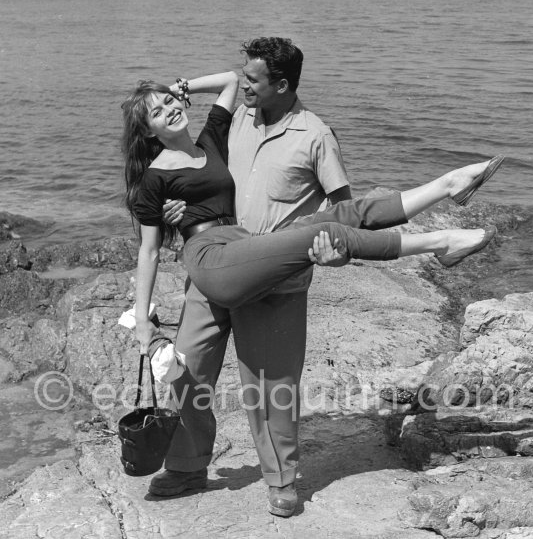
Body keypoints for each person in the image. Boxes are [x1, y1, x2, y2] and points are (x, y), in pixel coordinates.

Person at [123, 38, 502, 517]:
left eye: (253, 80)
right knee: (188, 376)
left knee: (272, 384)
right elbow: (154, 238)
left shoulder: (315, 135)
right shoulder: (230, 122)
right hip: (214, 269)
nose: (244, 86)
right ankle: (185, 466)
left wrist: (335, 257)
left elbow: (342, 212)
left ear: (280, 84)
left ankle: (281, 479)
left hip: (278, 274)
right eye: (244, 78)